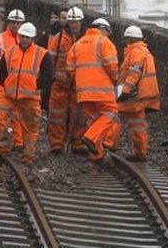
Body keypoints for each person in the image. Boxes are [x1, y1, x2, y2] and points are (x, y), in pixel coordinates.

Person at [0, 23, 53, 163]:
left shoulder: (42, 53)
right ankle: (1, 149)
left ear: (32, 38)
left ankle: (28, 155)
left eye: (27, 37)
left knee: (30, 125)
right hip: (9, 95)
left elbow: (48, 74)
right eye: (22, 36)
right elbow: (2, 70)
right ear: (19, 36)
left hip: (30, 96)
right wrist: (5, 83)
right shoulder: (10, 51)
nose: (24, 39)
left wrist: (36, 86)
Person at [66, 17, 120, 161]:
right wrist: (115, 79)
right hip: (102, 89)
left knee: (94, 119)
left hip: (83, 91)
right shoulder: (103, 41)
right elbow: (111, 65)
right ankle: (89, 137)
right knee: (110, 114)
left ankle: (96, 154)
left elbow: (70, 69)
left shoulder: (77, 44)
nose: (108, 35)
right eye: (107, 32)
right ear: (103, 29)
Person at [115, 26, 159, 162]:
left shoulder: (135, 51)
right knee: (137, 123)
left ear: (129, 39)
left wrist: (125, 91)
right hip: (143, 93)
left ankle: (108, 144)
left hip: (135, 94)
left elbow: (134, 72)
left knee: (111, 114)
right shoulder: (144, 50)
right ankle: (139, 151)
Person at [0, 9, 25, 150]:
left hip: (19, 82)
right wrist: (6, 61)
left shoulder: (24, 38)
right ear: (8, 23)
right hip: (2, 81)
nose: (16, 25)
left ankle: (18, 142)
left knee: (18, 113)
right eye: (13, 22)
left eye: (18, 23)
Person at [46, 6, 83, 153]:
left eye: (76, 22)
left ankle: (77, 143)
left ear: (81, 23)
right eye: (72, 22)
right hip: (60, 84)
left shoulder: (84, 40)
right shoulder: (58, 39)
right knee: (57, 116)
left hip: (77, 85)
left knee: (78, 116)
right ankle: (56, 144)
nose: (74, 25)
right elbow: (50, 60)